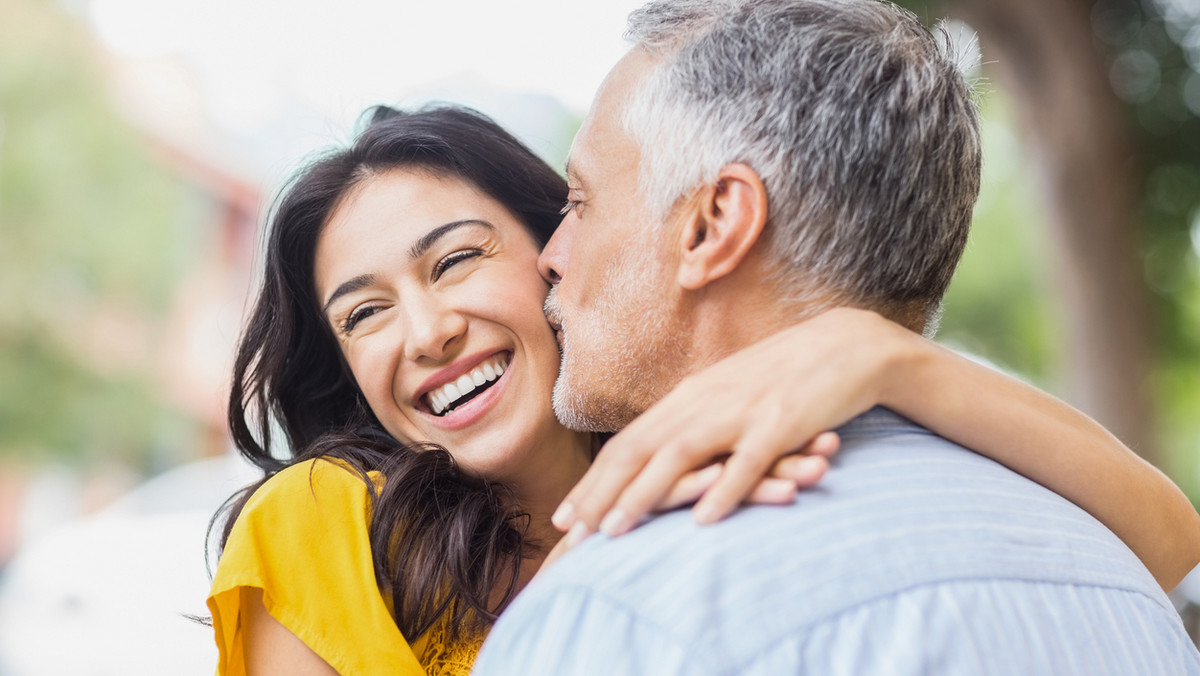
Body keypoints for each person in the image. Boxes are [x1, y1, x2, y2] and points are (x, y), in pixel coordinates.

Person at [205, 104, 1197, 676]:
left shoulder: (727, 437)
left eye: (456, 260)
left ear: (558, 251)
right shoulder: (321, 527)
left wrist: (894, 358)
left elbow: (1171, 546)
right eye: (364, 313)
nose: (425, 334)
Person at [470, 0, 1200, 674]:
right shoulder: (1124, 584)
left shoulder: (612, 613)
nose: (551, 254)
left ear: (713, 224)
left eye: (580, 201)